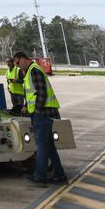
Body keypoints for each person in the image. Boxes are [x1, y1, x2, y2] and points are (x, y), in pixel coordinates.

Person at [14, 51, 67, 187]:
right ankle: (60, 175)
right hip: (43, 112)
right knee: (49, 147)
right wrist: (26, 106)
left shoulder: (34, 70)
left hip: (42, 113)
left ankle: (40, 176)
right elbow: (33, 92)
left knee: (42, 145)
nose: (18, 66)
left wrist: (36, 110)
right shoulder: (31, 71)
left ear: (23, 59)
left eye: (18, 63)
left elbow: (42, 92)